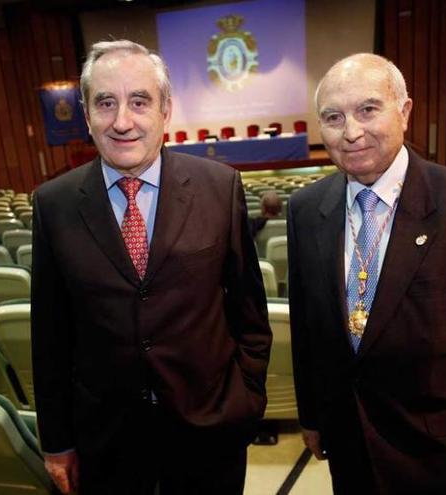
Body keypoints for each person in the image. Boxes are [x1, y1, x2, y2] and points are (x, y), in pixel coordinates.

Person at [286, 53, 446, 494]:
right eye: (333, 117)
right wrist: (312, 417)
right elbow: (308, 331)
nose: (351, 132)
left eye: (367, 109)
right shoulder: (305, 210)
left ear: (404, 111)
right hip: (349, 450)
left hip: (440, 458)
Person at [31, 40, 271, 495]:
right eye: (106, 103)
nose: (122, 121)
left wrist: (246, 400)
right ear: (86, 113)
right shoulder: (53, 204)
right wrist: (57, 441)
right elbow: (50, 338)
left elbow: (250, 314)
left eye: (139, 101)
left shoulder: (219, 188)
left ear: (166, 110)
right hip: (105, 440)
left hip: (210, 429)